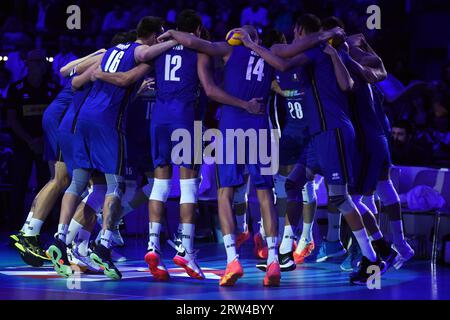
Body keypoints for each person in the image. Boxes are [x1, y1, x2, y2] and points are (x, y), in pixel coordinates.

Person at [233, 15, 387, 285]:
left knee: (340, 198)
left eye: (296, 31)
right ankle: (285, 253)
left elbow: (283, 62)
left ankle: (372, 257)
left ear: (302, 30)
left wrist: (250, 44)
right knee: (293, 184)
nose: (293, 35)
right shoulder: (320, 51)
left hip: (333, 130)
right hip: (317, 135)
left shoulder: (319, 51)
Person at [46, 16, 178, 280]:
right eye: (159, 36)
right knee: (116, 185)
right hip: (107, 123)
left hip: (82, 121)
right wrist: (175, 39)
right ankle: (105, 243)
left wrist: (102, 74)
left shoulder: (108, 52)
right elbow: (128, 75)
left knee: (81, 185)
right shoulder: (140, 52)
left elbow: (71, 80)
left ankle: (60, 239)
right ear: (152, 36)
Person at [146, 10, 264, 283]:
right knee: (189, 185)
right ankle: (186, 248)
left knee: (159, 185)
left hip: (158, 119)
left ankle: (152, 245)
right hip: (186, 119)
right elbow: (210, 90)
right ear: (198, 31)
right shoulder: (199, 51)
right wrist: (244, 103)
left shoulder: (161, 49)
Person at [5, 50, 59, 231]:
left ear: (44, 65)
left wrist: (43, 139)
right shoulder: (16, 88)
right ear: (27, 64)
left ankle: (45, 225)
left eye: (39, 61)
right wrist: (29, 140)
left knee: (48, 185)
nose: (36, 65)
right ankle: (14, 226)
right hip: (23, 145)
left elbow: (59, 118)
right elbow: (11, 120)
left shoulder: (54, 88)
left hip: (47, 145)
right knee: (19, 185)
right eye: (32, 61)